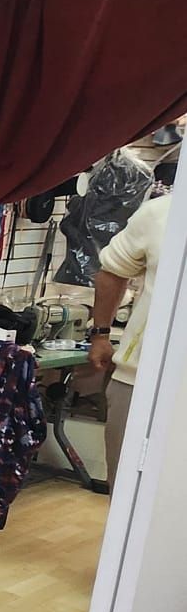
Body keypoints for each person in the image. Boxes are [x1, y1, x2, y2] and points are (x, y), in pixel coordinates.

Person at [89, 151, 176, 490]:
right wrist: (100, 334)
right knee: (126, 490)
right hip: (138, 378)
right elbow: (113, 271)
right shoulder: (161, 213)